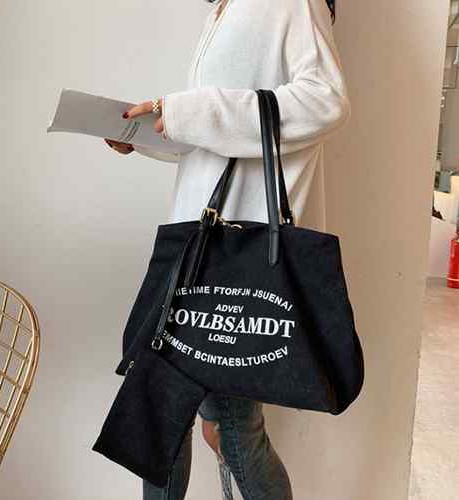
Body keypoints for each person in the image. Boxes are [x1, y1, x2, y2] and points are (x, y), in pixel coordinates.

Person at [105, 0, 350, 498]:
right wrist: (147, 133)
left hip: (237, 259)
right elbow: (216, 137)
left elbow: (325, 100)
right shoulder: (223, 9)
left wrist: (188, 111)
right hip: (191, 248)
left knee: (230, 428)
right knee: (161, 411)